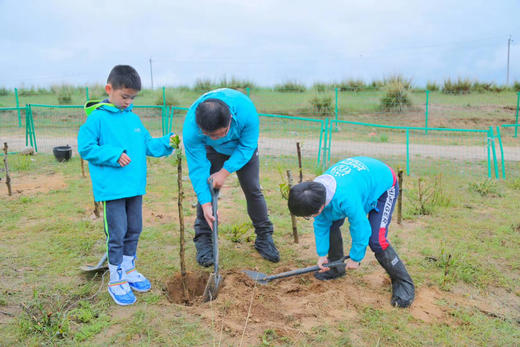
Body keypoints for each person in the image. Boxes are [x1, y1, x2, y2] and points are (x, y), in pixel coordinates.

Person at [78, 65, 175, 306]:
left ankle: (128, 268)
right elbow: (86, 148)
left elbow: (149, 146)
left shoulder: (133, 118)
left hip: (135, 187)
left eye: (132, 97)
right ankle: (116, 277)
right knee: (117, 232)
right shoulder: (97, 118)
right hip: (112, 190)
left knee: (135, 229)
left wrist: (169, 141)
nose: (128, 101)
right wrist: (114, 154)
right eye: (125, 96)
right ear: (109, 89)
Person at [288, 156, 414, 308]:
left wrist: (356, 257)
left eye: (309, 216)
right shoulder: (315, 192)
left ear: (320, 207)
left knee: (376, 240)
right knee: (331, 223)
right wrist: (322, 255)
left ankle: (403, 283)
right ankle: (335, 267)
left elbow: (360, 226)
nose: (310, 218)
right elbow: (322, 224)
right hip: (359, 180)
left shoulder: (346, 197)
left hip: (383, 185)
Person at [183, 88, 280, 267]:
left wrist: (224, 172)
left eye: (223, 132)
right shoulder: (191, 129)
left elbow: (247, 145)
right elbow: (198, 168)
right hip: (211, 151)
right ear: (201, 129)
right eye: (212, 135)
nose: (219, 138)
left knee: (252, 188)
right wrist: (205, 204)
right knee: (208, 191)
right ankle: (204, 241)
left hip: (242, 149)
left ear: (230, 120)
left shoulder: (246, 111)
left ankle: (264, 237)